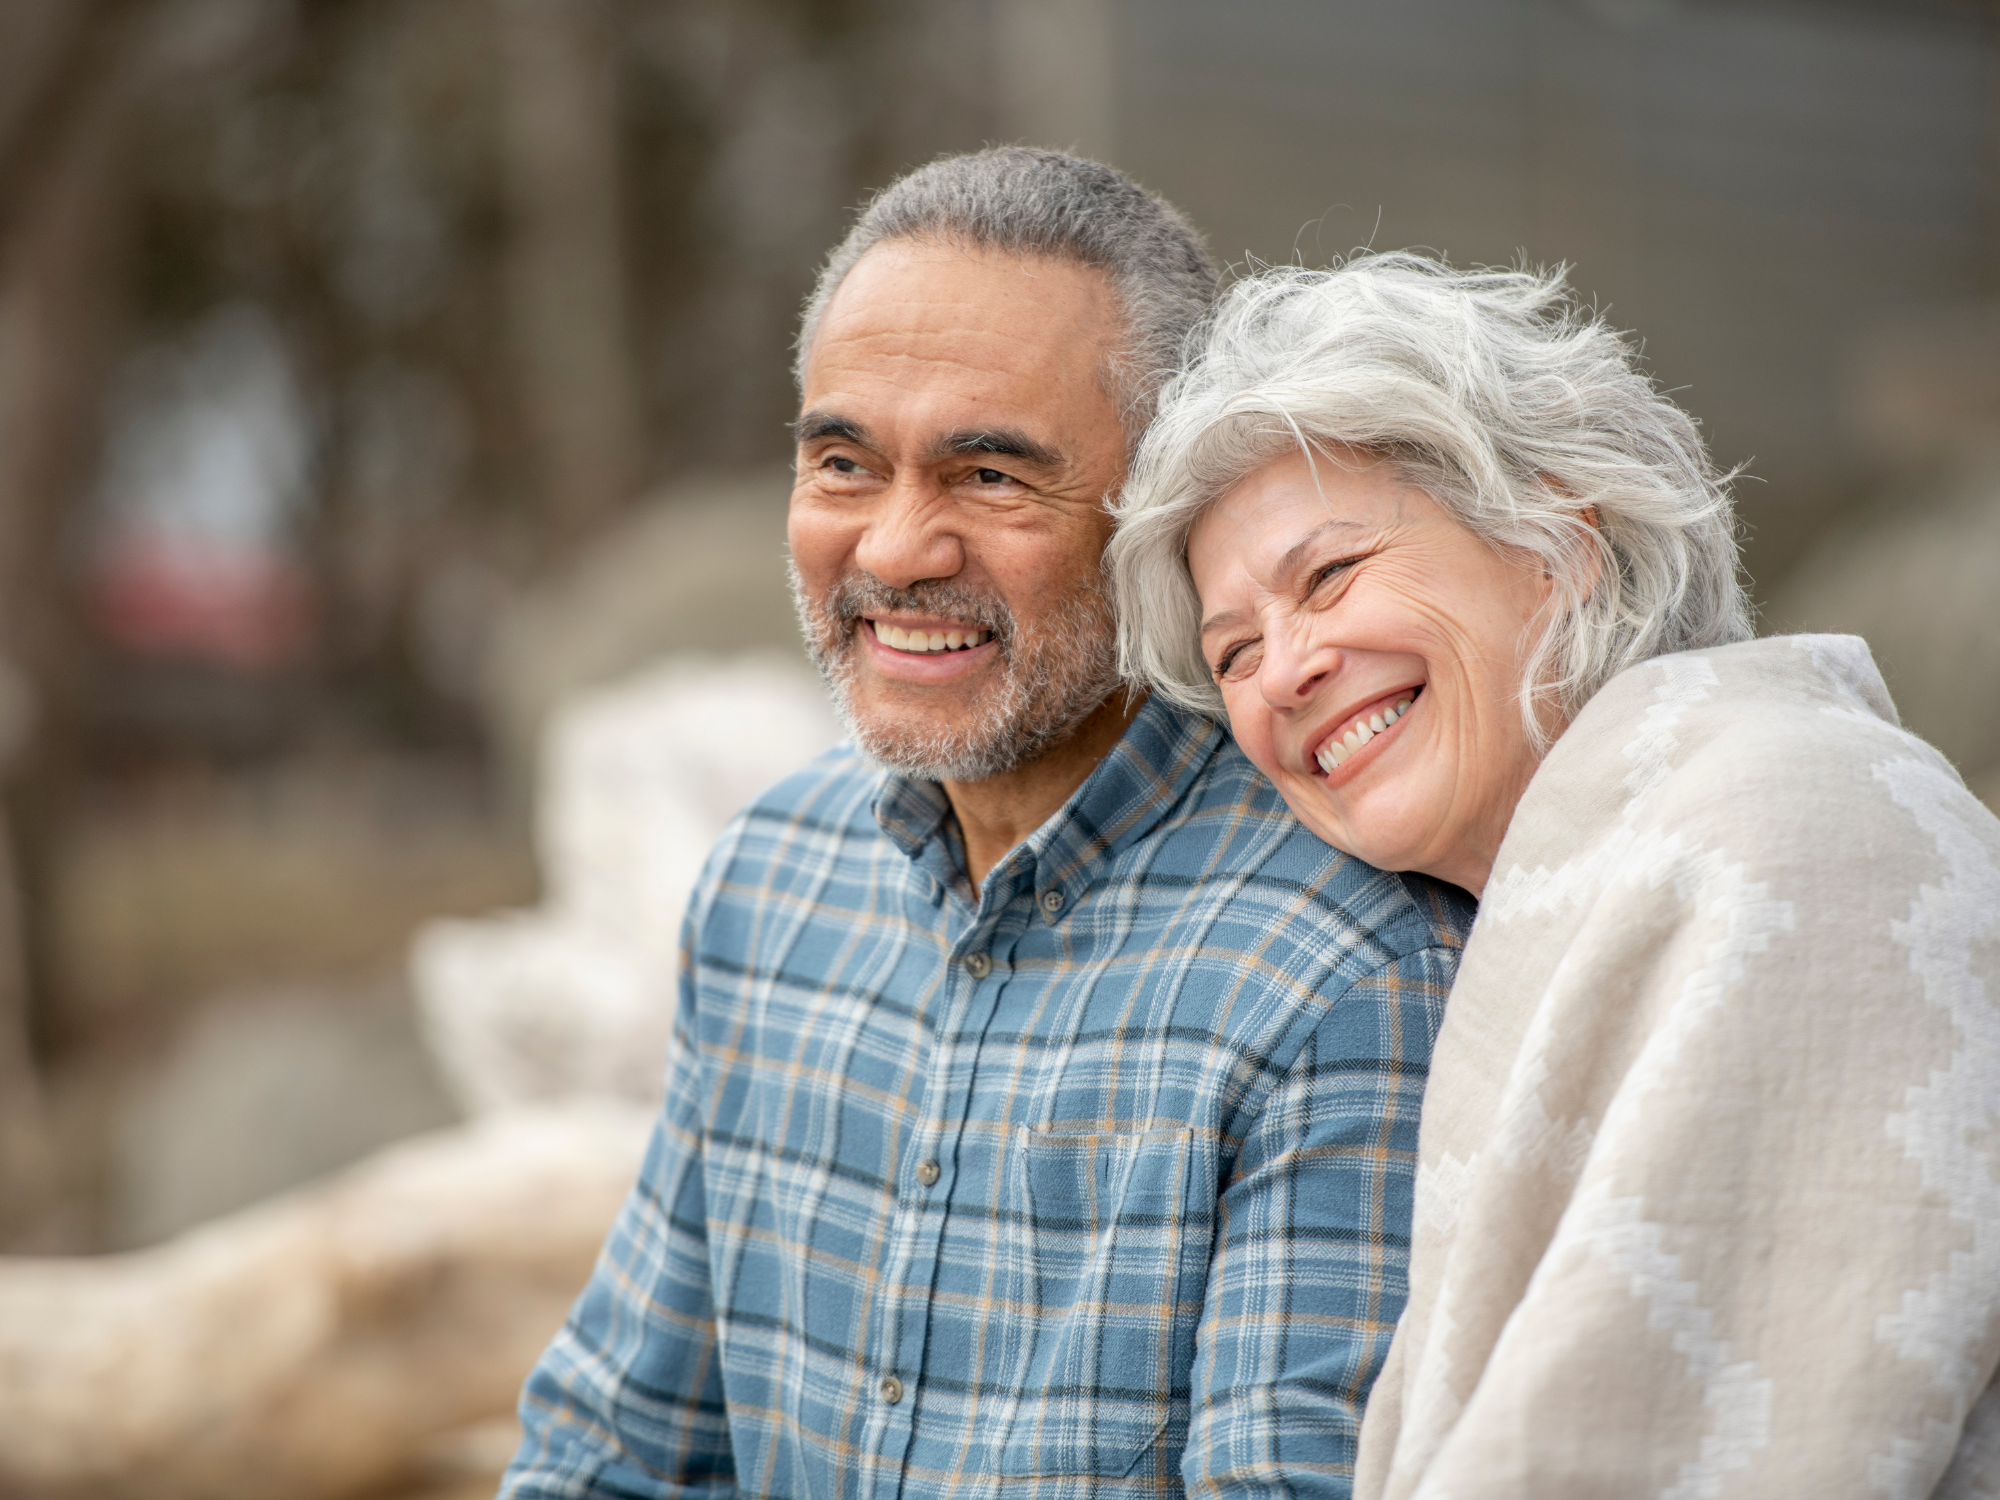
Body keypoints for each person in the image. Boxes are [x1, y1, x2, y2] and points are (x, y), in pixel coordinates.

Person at [501, 151, 1473, 1500]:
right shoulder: (771, 879)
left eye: (991, 477)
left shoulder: (1345, 966)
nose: (895, 551)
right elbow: (616, 1448)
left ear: (1166, 511)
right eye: (843, 461)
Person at [1108, 251, 2000, 1497]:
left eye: (1328, 576)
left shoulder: (1795, 826)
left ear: (1559, 539)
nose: (1283, 672)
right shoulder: (1564, 881)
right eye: (1233, 649)